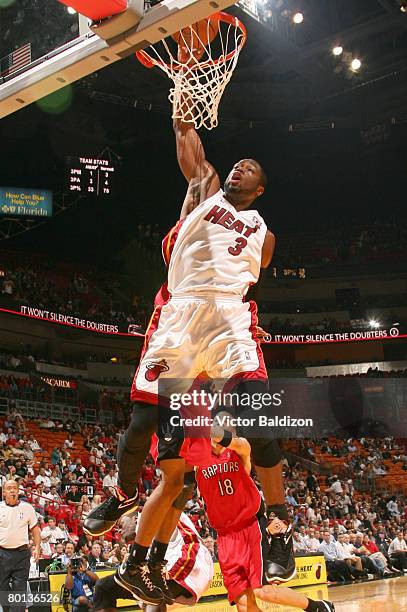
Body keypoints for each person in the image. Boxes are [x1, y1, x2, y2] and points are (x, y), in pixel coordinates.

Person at [85, 101, 294, 599]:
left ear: (261, 188)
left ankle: (281, 524)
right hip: (180, 315)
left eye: (251, 169)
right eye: (238, 164)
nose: (240, 168)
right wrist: (185, 96)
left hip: (227, 319)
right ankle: (122, 493)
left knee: (259, 420)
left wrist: (253, 323)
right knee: (142, 426)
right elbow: (187, 140)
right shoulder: (205, 189)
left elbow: (251, 282)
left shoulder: (266, 234)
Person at [191, 417, 334, 612]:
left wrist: (198, 420)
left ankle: (317, 607)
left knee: (264, 591)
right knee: (243, 603)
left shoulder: (240, 448)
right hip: (225, 536)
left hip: (250, 527)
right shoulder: (197, 458)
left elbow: (231, 440)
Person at [94, 509, 213, 611]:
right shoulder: (141, 542)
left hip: (190, 555)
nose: (119, 531)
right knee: (104, 587)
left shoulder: (148, 513)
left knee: (152, 594)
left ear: (135, 519)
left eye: (121, 525)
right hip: (172, 563)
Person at [0, 480, 41, 612]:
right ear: (4, 492)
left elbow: (35, 529)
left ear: (18, 491)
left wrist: (37, 547)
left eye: (14, 488)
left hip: (21, 554)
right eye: (9, 488)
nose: (12, 490)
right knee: (2, 587)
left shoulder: (28, 508)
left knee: (20, 588)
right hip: (2, 554)